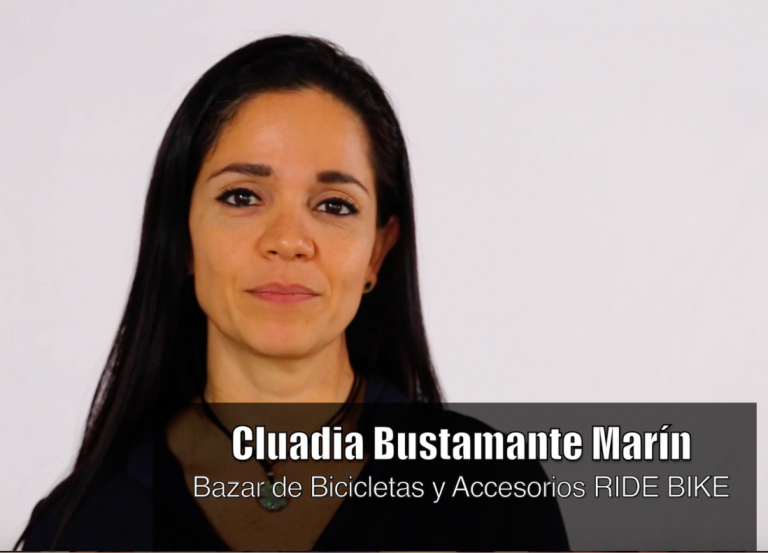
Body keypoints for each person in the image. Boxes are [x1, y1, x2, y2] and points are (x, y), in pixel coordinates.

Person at [16, 34, 569, 551]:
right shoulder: (80, 526)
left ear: (377, 253)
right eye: (242, 197)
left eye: (334, 205)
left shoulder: (494, 496)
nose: (287, 241)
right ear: (181, 238)